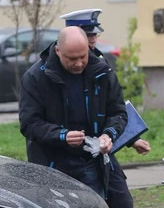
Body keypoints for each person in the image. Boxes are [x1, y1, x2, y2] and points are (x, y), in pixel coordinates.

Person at [20, 26, 136, 208]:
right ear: (58, 51)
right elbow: (29, 124)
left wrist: (109, 134)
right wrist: (61, 136)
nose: (79, 63)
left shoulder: (102, 70)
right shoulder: (36, 77)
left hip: (95, 157)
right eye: (71, 59)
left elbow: (118, 112)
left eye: (83, 56)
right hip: (53, 161)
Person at [60, 8, 152, 158]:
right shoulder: (61, 70)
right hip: (73, 153)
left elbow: (114, 108)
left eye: (95, 34)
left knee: (118, 182)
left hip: (103, 148)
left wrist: (131, 138)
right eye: (88, 34)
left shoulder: (100, 63)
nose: (93, 39)